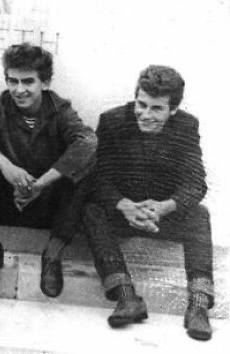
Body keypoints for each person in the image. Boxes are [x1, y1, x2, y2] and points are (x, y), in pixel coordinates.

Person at [83, 65, 214, 340]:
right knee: (91, 210)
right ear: (135, 97)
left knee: (199, 215)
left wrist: (164, 207)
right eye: (141, 105)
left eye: (156, 109)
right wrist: (124, 205)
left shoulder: (187, 126)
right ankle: (126, 297)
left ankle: (198, 307)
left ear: (173, 110)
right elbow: (99, 179)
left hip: (162, 216)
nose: (145, 114)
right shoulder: (112, 121)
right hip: (122, 213)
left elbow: (196, 183)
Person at [0, 43, 96, 297]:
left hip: (47, 206)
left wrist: (41, 184)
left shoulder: (60, 110)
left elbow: (87, 142)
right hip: (8, 202)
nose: (19, 90)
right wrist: (5, 165)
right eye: (13, 81)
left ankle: (52, 256)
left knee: (86, 164)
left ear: (45, 82)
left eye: (28, 82)